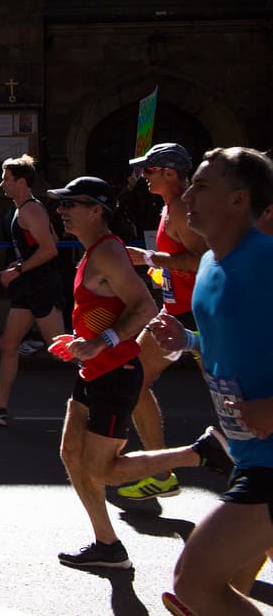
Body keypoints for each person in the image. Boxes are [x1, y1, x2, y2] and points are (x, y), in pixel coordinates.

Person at [44, 176, 231, 571]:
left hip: (115, 371)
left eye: (69, 204)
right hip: (94, 370)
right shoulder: (94, 250)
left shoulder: (107, 251)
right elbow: (106, 310)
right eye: (61, 205)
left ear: (96, 210)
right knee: (70, 453)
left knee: (102, 469)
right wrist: (81, 339)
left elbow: (145, 306)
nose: (61, 211)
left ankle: (200, 454)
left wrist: (101, 342)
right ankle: (107, 544)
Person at [150, 148, 273, 614]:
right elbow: (237, 338)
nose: (188, 196)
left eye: (202, 186)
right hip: (249, 453)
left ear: (239, 200)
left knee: (193, 581)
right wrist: (188, 339)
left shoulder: (266, 261)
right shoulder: (207, 266)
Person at [117, 143, 207, 501]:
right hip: (174, 312)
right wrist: (160, 271)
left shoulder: (183, 208)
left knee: (233, 397)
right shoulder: (172, 206)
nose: (143, 177)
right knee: (133, 377)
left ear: (170, 173)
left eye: (148, 171)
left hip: (197, 315)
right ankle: (161, 473)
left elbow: (203, 261)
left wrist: (151, 258)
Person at [0, 155, 68, 425]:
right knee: (8, 344)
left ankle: (105, 388)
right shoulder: (26, 210)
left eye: (6, 179)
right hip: (28, 287)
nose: (2, 185)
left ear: (21, 182)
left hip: (41, 286)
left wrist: (19, 269)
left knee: (63, 349)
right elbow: (51, 239)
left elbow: (50, 249)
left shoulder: (29, 210)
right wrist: (21, 263)